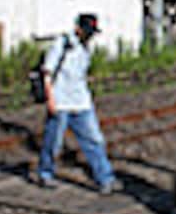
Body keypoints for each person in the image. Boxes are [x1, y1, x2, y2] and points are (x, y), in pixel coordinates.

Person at [37, 14, 122, 194]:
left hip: (81, 101)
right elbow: (47, 73)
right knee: (54, 141)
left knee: (94, 140)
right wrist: (50, 99)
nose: (90, 36)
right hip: (60, 101)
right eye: (87, 31)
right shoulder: (62, 43)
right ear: (78, 28)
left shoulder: (86, 47)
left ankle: (105, 178)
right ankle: (45, 173)